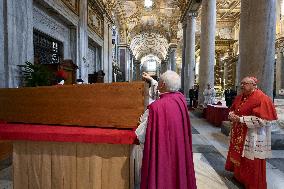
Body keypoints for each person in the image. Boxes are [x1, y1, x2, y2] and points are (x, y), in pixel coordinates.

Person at [135, 70, 197, 189]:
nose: (157, 83)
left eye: (159, 82)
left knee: (163, 172)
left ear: (162, 84)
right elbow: (162, 92)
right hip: (178, 147)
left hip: (162, 150)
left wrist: (141, 123)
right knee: (176, 171)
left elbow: (141, 136)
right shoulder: (180, 99)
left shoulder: (155, 107)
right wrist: (151, 80)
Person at [225, 76, 278, 189]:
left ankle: (253, 184)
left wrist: (240, 119)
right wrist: (231, 114)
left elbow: (264, 120)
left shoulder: (262, 98)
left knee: (251, 160)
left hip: (253, 135)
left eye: (245, 83)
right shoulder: (241, 97)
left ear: (254, 85)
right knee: (242, 158)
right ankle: (240, 178)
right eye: (242, 83)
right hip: (239, 133)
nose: (242, 86)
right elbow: (233, 109)